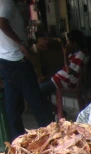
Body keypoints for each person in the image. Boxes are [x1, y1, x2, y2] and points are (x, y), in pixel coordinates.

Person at [0, 0, 53, 140]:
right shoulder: (7, 4)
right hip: (17, 60)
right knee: (36, 101)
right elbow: (2, 24)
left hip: (6, 61)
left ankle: (17, 142)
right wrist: (20, 43)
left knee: (12, 107)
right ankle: (52, 137)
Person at [38, 30, 87, 99]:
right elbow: (63, 71)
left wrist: (65, 54)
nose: (67, 44)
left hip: (63, 83)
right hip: (58, 80)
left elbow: (69, 71)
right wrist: (47, 77)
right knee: (37, 85)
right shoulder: (73, 55)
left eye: (68, 42)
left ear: (74, 43)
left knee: (36, 93)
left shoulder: (81, 55)